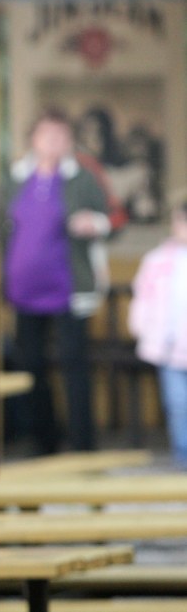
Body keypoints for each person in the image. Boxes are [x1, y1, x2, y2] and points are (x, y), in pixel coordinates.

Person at [1, 107, 112, 455]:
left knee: (74, 365)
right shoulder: (14, 178)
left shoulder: (83, 177)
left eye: (61, 135)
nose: (53, 141)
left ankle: (82, 444)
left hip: (69, 288)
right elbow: (0, 227)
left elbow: (113, 219)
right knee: (31, 366)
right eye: (47, 134)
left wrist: (95, 223)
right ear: (33, 139)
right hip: (23, 289)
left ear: (70, 141)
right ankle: (44, 442)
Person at [128, 200, 187, 468]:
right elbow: (143, 297)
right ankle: (182, 455)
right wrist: (140, 327)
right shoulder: (157, 260)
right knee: (176, 404)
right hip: (170, 346)